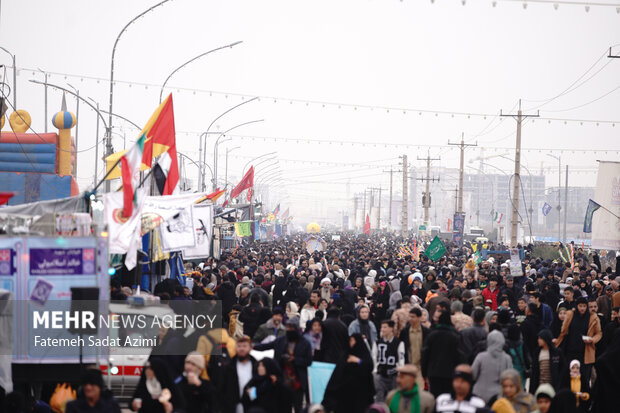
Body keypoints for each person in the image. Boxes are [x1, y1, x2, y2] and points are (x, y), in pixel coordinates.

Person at [322, 333, 375, 413]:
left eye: (353, 341)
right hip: (344, 397)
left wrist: (358, 361)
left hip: (360, 398)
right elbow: (336, 377)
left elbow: (369, 367)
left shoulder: (364, 355)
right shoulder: (345, 355)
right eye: (350, 340)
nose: (351, 343)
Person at [556, 296, 602, 385]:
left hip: (585, 351)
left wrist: (592, 340)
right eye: (580, 306)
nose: (582, 308)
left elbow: (599, 333)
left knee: (584, 377)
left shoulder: (593, 317)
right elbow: (564, 330)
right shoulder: (570, 315)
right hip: (570, 351)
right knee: (568, 376)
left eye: (584, 306)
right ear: (577, 306)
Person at [422, 309, 462, 398]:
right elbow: (458, 356)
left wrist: (424, 373)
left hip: (433, 372)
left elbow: (425, 354)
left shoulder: (432, 335)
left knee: (434, 396)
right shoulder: (454, 337)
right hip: (449, 373)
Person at [471, 330, 513, 403]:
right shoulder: (507, 358)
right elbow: (511, 377)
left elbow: (473, 375)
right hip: (499, 396)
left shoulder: (481, 356)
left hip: (479, 394)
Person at [220, 335, 258, 413]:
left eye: (244, 346)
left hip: (252, 404)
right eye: (239, 346)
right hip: (233, 406)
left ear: (250, 348)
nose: (241, 349)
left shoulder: (256, 365)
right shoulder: (229, 367)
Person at [372, 319, 405, 402]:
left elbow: (401, 359)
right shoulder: (377, 343)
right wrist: (375, 371)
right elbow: (374, 358)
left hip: (394, 374)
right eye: (381, 327)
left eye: (385, 327)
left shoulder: (399, 343)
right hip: (380, 374)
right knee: (379, 396)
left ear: (391, 328)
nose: (382, 329)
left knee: (394, 398)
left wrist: (400, 372)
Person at [398, 306, 430, 389]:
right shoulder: (404, 331)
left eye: (413, 317)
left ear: (419, 318)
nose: (410, 319)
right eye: (409, 316)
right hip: (408, 366)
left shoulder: (426, 332)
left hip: (420, 367)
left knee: (419, 392)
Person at [530, 329, 564, 394]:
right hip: (540, 386)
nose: (538, 340)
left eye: (540, 338)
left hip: (554, 387)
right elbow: (534, 372)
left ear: (546, 339)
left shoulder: (557, 352)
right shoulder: (537, 353)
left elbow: (562, 369)